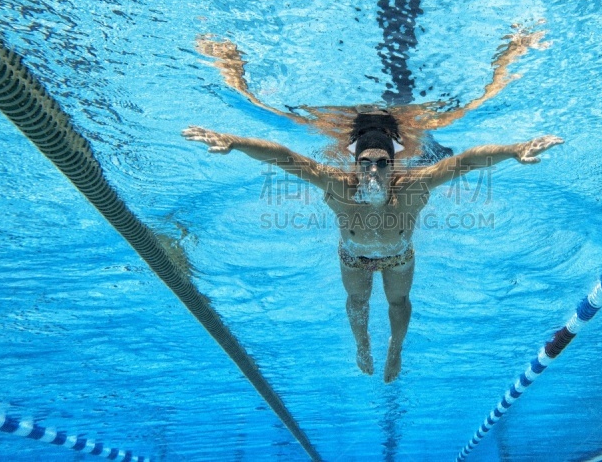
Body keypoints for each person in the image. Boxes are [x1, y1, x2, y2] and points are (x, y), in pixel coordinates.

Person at [182, 109, 562, 382]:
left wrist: (515, 149)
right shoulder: (337, 184)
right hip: (353, 258)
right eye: (366, 163)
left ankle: (395, 349)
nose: (374, 172)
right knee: (357, 301)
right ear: (356, 165)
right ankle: (362, 345)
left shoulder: (412, 187)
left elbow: (464, 162)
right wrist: (234, 142)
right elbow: (284, 157)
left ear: (393, 166)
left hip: (399, 258)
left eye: (382, 164)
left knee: (398, 302)